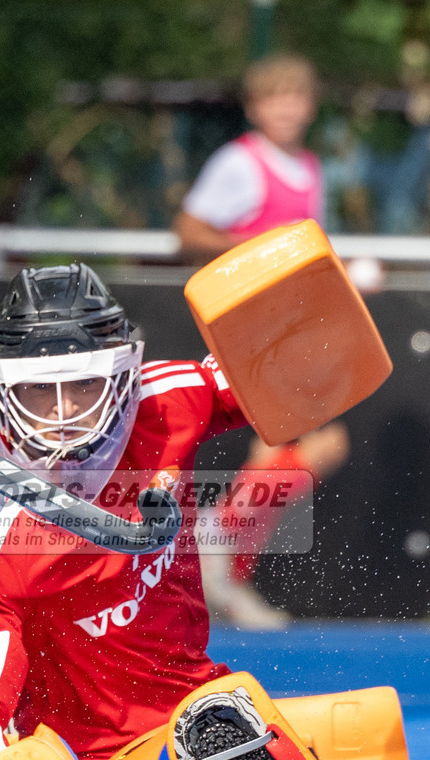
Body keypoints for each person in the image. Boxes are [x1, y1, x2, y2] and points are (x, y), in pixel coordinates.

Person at [0, 262, 383, 760]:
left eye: (85, 386)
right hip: (81, 754)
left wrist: (315, 312)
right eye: (41, 393)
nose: (64, 415)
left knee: (375, 743)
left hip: (199, 707)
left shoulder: (168, 398)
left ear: (125, 375)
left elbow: (298, 373)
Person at [174, 53, 350, 629]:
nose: (286, 108)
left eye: (295, 96)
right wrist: (255, 249)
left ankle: (220, 566)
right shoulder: (239, 164)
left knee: (290, 454)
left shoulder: (311, 169)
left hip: (292, 330)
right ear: (255, 107)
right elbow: (190, 229)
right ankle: (221, 560)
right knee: (293, 449)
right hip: (251, 328)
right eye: (274, 97)